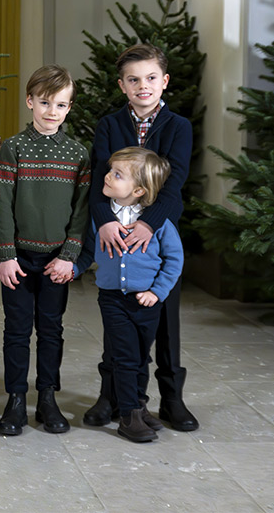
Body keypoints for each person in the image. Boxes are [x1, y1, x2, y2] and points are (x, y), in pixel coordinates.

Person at [79, 44, 198, 432]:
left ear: (164, 81)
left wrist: (149, 224)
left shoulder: (177, 126)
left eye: (150, 78)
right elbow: (100, 177)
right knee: (118, 318)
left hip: (157, 230)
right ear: (122, 85)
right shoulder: (110, 125)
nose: (142, 86)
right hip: (116, 224)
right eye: (134, 80)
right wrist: (105, 222)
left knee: (163, 319)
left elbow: (175, 180)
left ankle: (171, 398)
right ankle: (109, 395)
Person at [0, 65, 90, 436]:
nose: (52, 112)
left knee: (51, 330)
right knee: (16, 331)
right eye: (46, 102)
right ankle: (15, 399)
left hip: (56, 262)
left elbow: (81, 210)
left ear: (69, 108)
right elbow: (3, 205)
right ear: (31, 101)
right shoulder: (13, 149)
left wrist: (69, 255)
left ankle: (47, 397)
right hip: (18, 258)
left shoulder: (77, 153)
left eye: (62, 105)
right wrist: (5, 256)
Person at [93, 147, 184, 442]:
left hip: (147, 302)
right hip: (113, 299)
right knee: (125, 356)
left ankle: (139, 405)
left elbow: (174, 260)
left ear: (139, 190)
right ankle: (128, 416)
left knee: (141, 357)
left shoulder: (158, 224)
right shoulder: (102, 220)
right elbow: (85, 249)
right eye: (111, 170)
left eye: (117, 174)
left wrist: (157, 292)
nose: (107, 176)